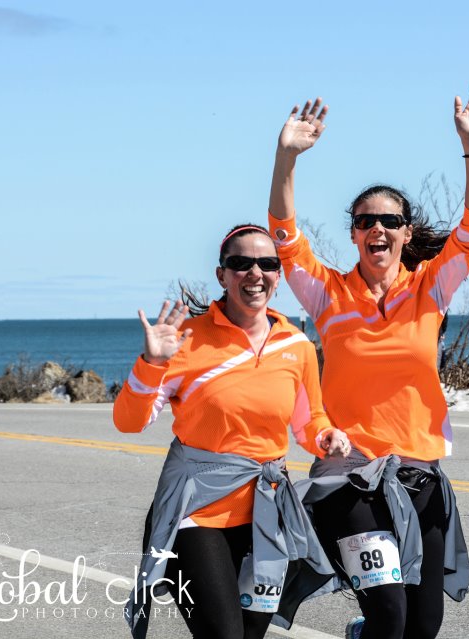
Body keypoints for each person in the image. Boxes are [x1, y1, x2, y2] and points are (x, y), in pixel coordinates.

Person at [266, 81, 469, 639]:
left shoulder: (430, 290)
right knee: (390, 617)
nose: (379, 229)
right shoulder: (327, 294)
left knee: (423, 626)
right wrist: (286, 159)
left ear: (406, 233)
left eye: (390, 222)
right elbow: (284, 236)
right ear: (353, 234)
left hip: (420, 472)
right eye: (367, 222)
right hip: (352, 478)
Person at [112, 224, 351, 639]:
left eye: (267, 264)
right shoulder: (187, 341)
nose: (254, 274)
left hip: (266, 512)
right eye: (240, 264)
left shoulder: (296, 346)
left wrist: (326, 436)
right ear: (221, 275)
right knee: (224, 634)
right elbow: (129, 422)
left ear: (278, 274)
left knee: (251, 632)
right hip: (196, 512)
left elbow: (308, 420)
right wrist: (150, 363)